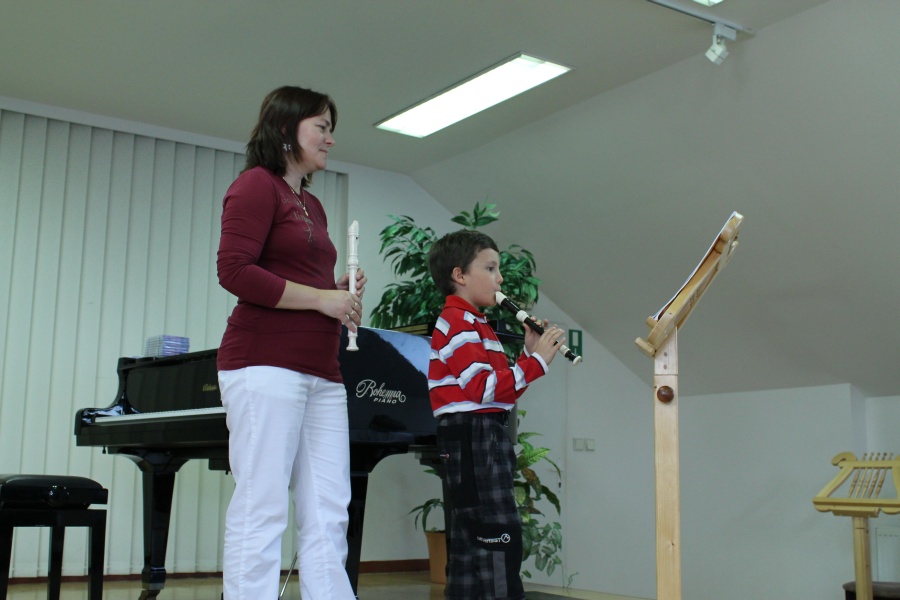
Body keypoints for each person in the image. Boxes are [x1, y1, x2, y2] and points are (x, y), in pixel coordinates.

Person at [216, 85, 366, 600]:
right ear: (285, 129)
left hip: (322, 370)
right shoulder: (255, 186)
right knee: (262, 505)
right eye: (321, 127)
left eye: (330, 129)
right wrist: (322, 299)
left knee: (329, 509)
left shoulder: (313, 205)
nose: (330, 139)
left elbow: (304, 285)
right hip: (264, 364)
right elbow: (234, 271)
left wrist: (336, 293)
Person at [426, 229, 564, 600]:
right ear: (459, 275)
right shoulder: (457, 322)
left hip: (482, 431)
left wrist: (528, 355)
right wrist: (537, 362)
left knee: (473, 541)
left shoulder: (477, 323)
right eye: (490, 268)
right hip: (473, 435)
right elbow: (482, 389)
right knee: (498, 535)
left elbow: (500, 394)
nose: (500, 278)